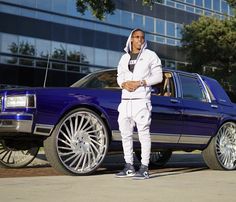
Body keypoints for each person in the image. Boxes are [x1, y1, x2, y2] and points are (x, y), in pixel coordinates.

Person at [116, 28, 163, 180]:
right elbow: (119, 76)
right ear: (131, 39)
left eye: (142, 37)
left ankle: (144, 167)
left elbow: (158, 77)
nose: (140, 39)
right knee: (125, 134)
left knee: (143, 134)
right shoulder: (124, 58)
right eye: (136, 37)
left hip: (141, 101)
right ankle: (129, 166)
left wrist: (141, 82)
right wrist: (123, 84)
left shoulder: (151, 56)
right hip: (125, 101)